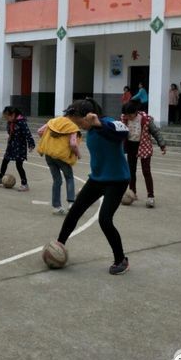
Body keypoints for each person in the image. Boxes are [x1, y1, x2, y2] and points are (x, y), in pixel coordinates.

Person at [52, 98, 131, 275]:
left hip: (117, 180)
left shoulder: (108, 123)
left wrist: (99, 125)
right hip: (97, 179)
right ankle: (59, 245)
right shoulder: (90, 130)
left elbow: (124, 133)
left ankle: (121, 260)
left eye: (78, 122)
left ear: (88, 117)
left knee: (105, 219)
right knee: (75, 211)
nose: (78, 126)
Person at [121, 100, 167, 208]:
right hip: (131, 146)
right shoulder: (124, 118)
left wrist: (162, 145)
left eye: (130, 115)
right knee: (131, 171)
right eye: (126, 115)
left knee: (146, 171)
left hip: (144, 146)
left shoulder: (146, 119)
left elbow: (156, 132)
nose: (128, 117)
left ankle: (150, 197)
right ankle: (132, 193)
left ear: (136, 112)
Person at [37, 115, 81, 215]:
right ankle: (71, 203)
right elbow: (73, 144)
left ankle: (56, 206)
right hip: (62, 156)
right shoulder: (72, 126)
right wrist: (78, 154)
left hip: (49, 154)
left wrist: (50, 141)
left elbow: (40, 131)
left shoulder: (52, 121)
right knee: (69, 178)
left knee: (57, 180)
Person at [0, 106, 36, 192]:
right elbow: (10, 132)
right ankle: (1, 178)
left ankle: (24, 184)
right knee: (5, 161)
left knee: (19, 165)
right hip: (11, 145)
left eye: (7, 117)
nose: (6, 119)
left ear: (13, 115)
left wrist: (31, 144)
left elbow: (28, 134)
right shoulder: (10, 122)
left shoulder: (21, 122)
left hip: (20, 147)